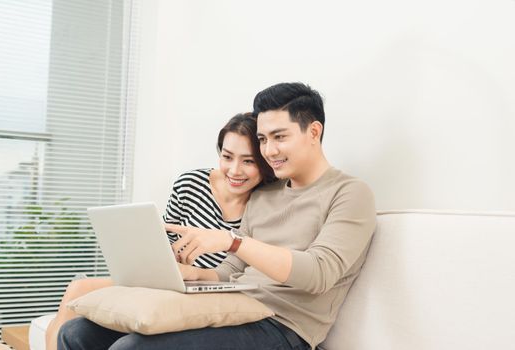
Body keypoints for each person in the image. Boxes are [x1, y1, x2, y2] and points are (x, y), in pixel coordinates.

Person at [57, 82, 376, 350]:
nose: (269, 150)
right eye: (264, 139)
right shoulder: (265, 195)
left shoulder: (350, 193)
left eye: (280, 137)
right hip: (232, 307)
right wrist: (189, 274)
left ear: (314, 132)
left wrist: (233, 241)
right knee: (77, 334)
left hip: (284, 328)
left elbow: (318, 275)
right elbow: (232, 273)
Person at [45, 113, 275, 350]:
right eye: (227, 157)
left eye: (248, 161)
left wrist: (194, 271)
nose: (235, 170)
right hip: (168, 279)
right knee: (77, 291)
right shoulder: (190, 184)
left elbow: (246, 270)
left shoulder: (265, 205)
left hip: (209, 290)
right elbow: (163, 241)